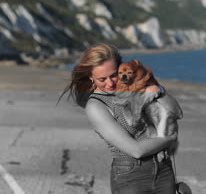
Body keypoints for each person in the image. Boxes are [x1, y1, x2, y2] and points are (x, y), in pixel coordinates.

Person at [58, 43, 177, 194]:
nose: (110, 83)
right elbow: (136, 150)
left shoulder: (135, 86)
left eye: (114, 75)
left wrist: (155, 87)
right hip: (130, 176)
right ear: (91, 77)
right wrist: (170, 139)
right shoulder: (96, 106)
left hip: (163, 170)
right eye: (102, 79)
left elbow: (176, 111)